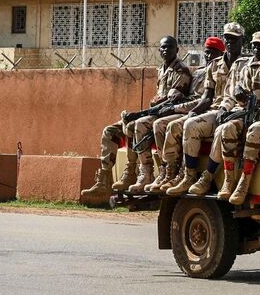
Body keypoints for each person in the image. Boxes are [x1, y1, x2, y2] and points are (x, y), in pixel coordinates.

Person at [81, 36, 192, 203]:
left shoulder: (181, 71)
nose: (165, 50)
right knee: (110, 131)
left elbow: (170, 102)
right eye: (162, 47)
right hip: (152, 112)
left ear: (177, 50)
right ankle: (104, 179)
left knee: (135, 125)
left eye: (169, 47)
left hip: (165, 114)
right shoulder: (161, 69)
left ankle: (142, 172)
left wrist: (139, 114)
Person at [196, 32, 260, 204]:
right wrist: (241, 95)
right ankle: (229, 180)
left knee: (254, 130)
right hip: (248, 113)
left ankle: (244, 181)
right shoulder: (253, 69)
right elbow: (240, 93)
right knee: (227, 128)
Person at [166, 23, 252, 196]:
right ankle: (188, 175)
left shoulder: (248, 64)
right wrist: (194, 111)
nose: (230, 42)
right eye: (227, 38)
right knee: (190, 124)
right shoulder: (214, 64)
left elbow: (245, 96)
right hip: (215, 111)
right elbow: (207, 97)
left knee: (222, 130)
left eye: (234, 39)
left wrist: (228, 110)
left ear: (242, 41)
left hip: (236, 111)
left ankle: (208, 176)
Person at [143, 37, 225, 194]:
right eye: (207, 52)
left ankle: (182, 173)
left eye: (214, 53)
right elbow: (190, 97)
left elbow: (204, 101)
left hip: (205, 111)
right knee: (157, 124)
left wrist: (176, 109)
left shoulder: (222, 72)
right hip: (190, 108)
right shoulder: (200, 72)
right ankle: (166, 171)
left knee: (173, 125)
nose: (209, 56)